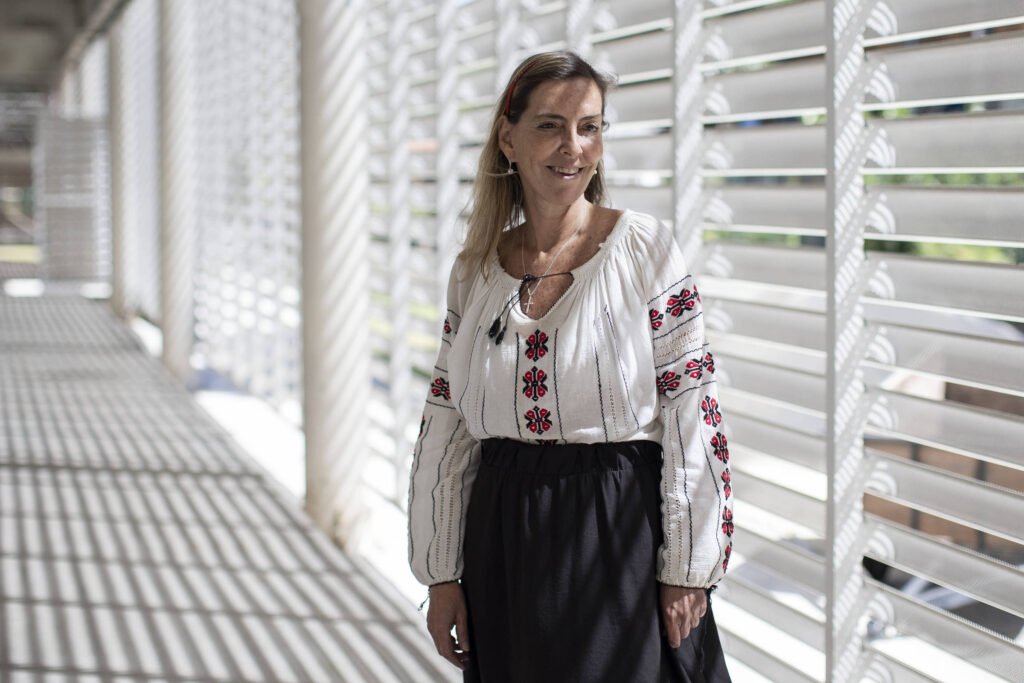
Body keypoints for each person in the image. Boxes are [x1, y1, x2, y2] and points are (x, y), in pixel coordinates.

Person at [407, 50, 733, 682]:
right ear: (508, 139)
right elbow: (446, 420)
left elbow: (693, 407)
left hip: (616, 532)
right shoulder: (475, 270)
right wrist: (439, 572)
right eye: (550, 126)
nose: (573, 147)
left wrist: (689, 569)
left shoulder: (644, 249)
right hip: (502, 541)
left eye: (590, 127)